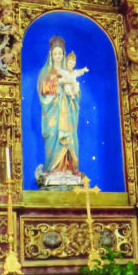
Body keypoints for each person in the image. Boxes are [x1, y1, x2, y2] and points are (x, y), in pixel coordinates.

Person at [36, 36, 83, 183]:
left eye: (60, 53)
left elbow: (77, 94)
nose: (58, 56)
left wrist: (75, 91)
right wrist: (60, 82)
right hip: (54, 115)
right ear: (51, 54)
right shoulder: (46, 72)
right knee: (55, 138)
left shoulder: (67, 71)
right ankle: (54, 169)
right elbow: (43, 90)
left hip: (67, 113)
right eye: (55, 53)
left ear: (63, 54)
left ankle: (69, 169)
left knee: (69, 139)